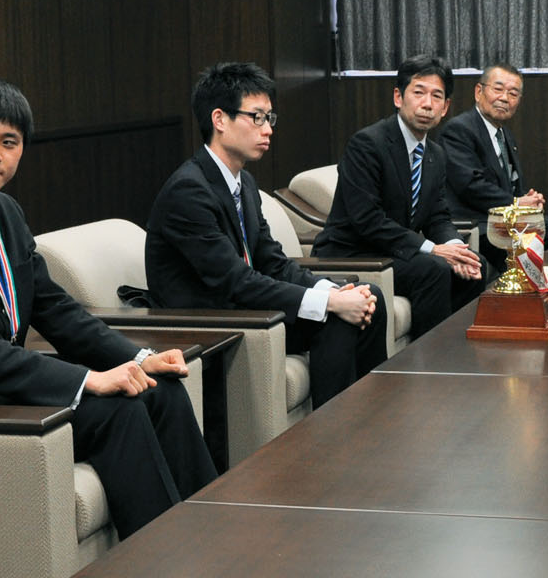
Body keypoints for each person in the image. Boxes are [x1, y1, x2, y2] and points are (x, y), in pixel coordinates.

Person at [0, 77, 214, 536]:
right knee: (119, 410)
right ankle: (160, 557)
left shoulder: (4, 211)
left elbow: (55, 309)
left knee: (159, 389)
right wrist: (88, 379)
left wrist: (137, 358)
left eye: (9, 142)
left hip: (2, 386)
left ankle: (207, 534)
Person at [146, 63, 388, 408]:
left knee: (368, 299)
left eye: (270, 118)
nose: (268, 129)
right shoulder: (188, 191)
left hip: (251, 310)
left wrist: (331, 291)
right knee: (335, 317)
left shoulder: (243, 182)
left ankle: (370, 417)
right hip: (213, 324)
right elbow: (236, 281)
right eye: (257, 117)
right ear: (219, 119)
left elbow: (273, 261)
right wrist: (330, 303)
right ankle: (335, 432)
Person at [313, 56, 485, 340]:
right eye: (418, 92)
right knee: (433, 269)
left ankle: (456, 352)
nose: (427, 104)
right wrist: (432, 249)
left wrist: (456, 249)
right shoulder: (368, 144)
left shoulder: (435, 154)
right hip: (353, 254)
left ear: (445, 108)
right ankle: (429, 359)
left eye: (436, 96)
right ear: (398, 97)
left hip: (394, 252)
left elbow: (437, 216)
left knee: (474, 264)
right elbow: (368, 220)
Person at [436, 62, 548, 270]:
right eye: (498, 89)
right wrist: (516, 203)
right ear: (479, 92)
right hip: (477, 225)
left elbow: (510, 184)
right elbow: (470, 186)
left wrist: (529, 201)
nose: (504, 98)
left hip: (504, 220)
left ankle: (538, 285)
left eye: (513, 94)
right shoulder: (459, 129)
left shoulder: (503, 134)